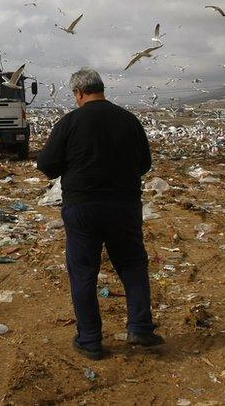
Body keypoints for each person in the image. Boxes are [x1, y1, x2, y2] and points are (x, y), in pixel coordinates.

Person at [36, 68, 162, 360]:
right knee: (132, 264)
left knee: (83, 273)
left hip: (82, 208)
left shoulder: (69, 122)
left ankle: (90, 340)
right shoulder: (129, 121)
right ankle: (140, 327)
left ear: (78, 93)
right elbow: (144, 164)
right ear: (101, 88)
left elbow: (47, 166)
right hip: (123, 206)